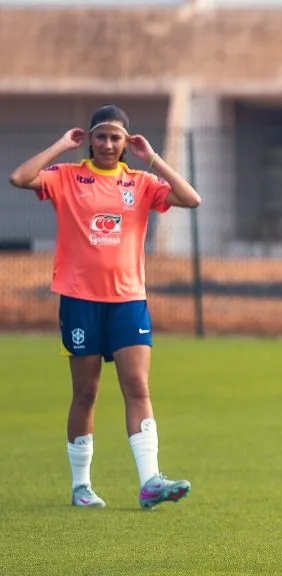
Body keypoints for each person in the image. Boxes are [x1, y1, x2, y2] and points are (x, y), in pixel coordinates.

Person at [8, 105, 201, 510]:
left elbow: (191, 198)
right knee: (86, 393)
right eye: (101, 136)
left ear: (127, 142)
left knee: (137, 386)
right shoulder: (66, 176)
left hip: (129, 300)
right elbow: (19, 177)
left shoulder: (141, 181)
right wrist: (62, 144)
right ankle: (82, 486)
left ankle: (150, 480)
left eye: (116, 137)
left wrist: (154, 159)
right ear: (90, 139)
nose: (108, 144)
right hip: (79, 300)